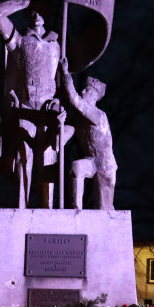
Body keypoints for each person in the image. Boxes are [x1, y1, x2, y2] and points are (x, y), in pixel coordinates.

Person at [0, 0, 73, 208]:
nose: (37, 16)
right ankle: (21, 208)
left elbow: (65, 78)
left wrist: (62, 104)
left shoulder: (57, 45)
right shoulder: (19, 41)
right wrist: (26, 2)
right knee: (23, 157)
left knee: (48, 161)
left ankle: (48, 211)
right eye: (32, 12)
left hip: (48, 108)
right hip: (26, 107)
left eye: (41, 11)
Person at [59, 58, 117, 210]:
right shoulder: (78, 119)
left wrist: (65, 72)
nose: (83, 91)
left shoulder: (98, 115)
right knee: (76, 167)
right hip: (91, 161)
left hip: (105, 165)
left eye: (88, 90)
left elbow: (75, 100)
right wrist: (59, 123)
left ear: (95, 96)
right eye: (84, 88)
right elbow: (62, 138)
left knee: (105, 208)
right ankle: (75, 210)